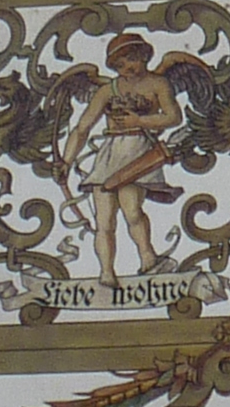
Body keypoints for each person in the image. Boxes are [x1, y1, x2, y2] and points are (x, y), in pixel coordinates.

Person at [62, 33, 187, 280]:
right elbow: (82, 128)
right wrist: (65, 162)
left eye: (131, 59)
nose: (127, 68)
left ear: (143, 55)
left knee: (132, 211)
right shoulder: (107, 90)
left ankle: (148, 257)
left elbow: (174, 117)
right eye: (119, 65)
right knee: (104, 220)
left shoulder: (158, 84)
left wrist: (139, 121)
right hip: (110, 155)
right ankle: (106, 273)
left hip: (138, 153)